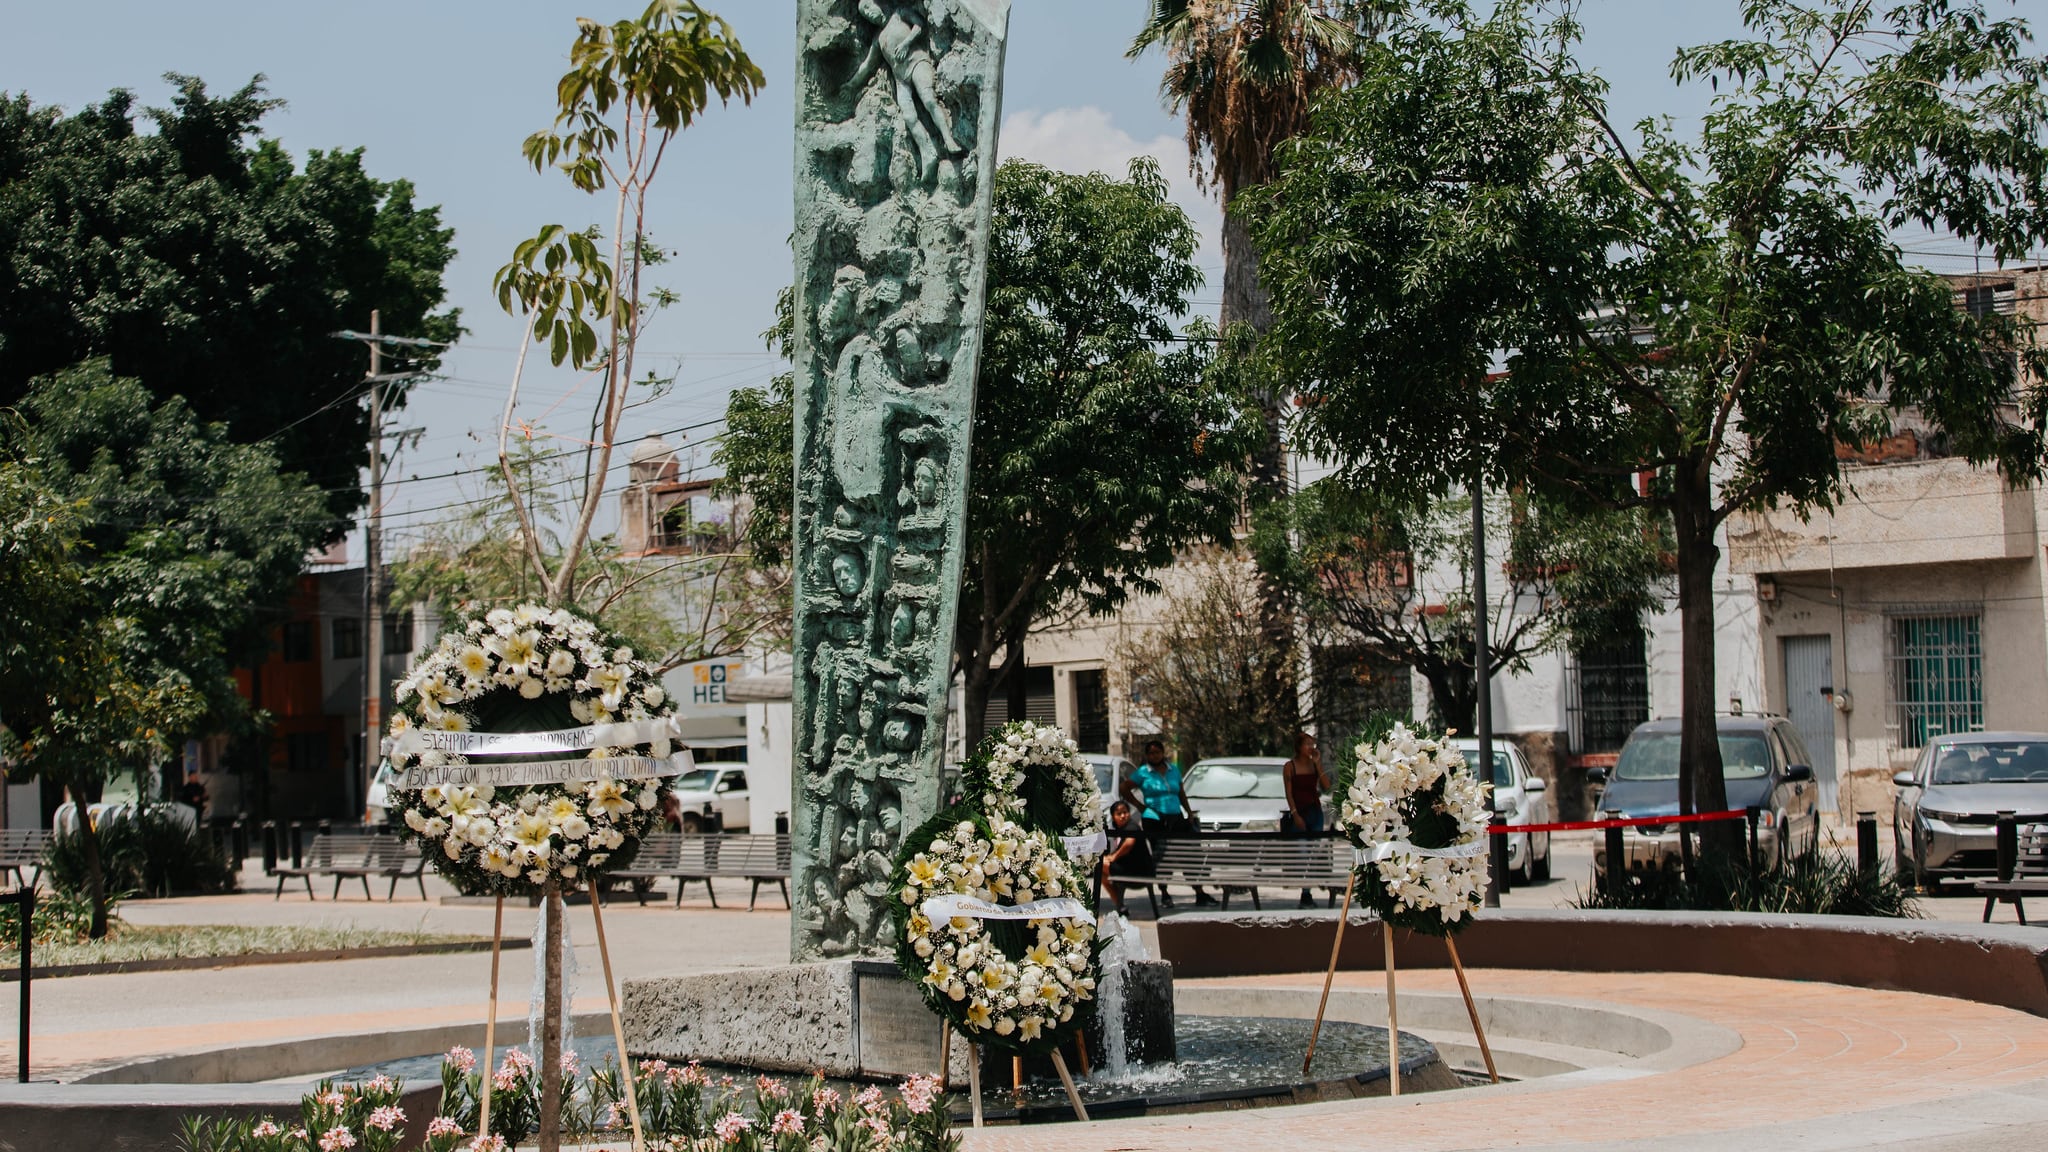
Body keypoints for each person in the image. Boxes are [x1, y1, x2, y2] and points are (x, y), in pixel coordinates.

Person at [1127, 740, 1213, 907]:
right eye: (1151, 753)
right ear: (1147, 755)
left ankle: (1199, 892)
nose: (1154, 756)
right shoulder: (1143, 772)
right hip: (1155, 818)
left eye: (1157, 752)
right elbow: (1125, 788)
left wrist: (1188, 812)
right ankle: (1165, 893)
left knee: (1188, 854)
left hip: (1176, 816)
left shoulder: (1173, 770)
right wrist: (1140, 806)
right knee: (1162, 856)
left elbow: (1181, 792)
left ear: (1162, 753)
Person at [1283, 731, 1332, 907]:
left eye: (1313, 744)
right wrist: (1295, 814)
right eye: (1307, 744)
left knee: (1312, 853)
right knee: (1303, 852)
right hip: (1300, 812)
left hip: (1315, 812)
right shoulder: (1290, 766)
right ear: (1299, 747)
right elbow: (1289, 793)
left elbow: (1327, 787)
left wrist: (1318, 765)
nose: (1311, 747)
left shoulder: (1313, 764)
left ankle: (1307, 892)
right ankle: (1305, 891)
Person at [1099, 800, 1154, 915]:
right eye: (1119, 814)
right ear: (1113, 816)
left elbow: (1129, 844)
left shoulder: (1132, 826)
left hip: (1139, 872)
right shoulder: (1120, 829)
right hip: (1127, 868)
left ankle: (1120, 906)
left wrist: (1113, 857)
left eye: (1125, 812)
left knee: (1100, 863)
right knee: (1102, 876)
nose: (1123, 816)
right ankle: (1121, 907)